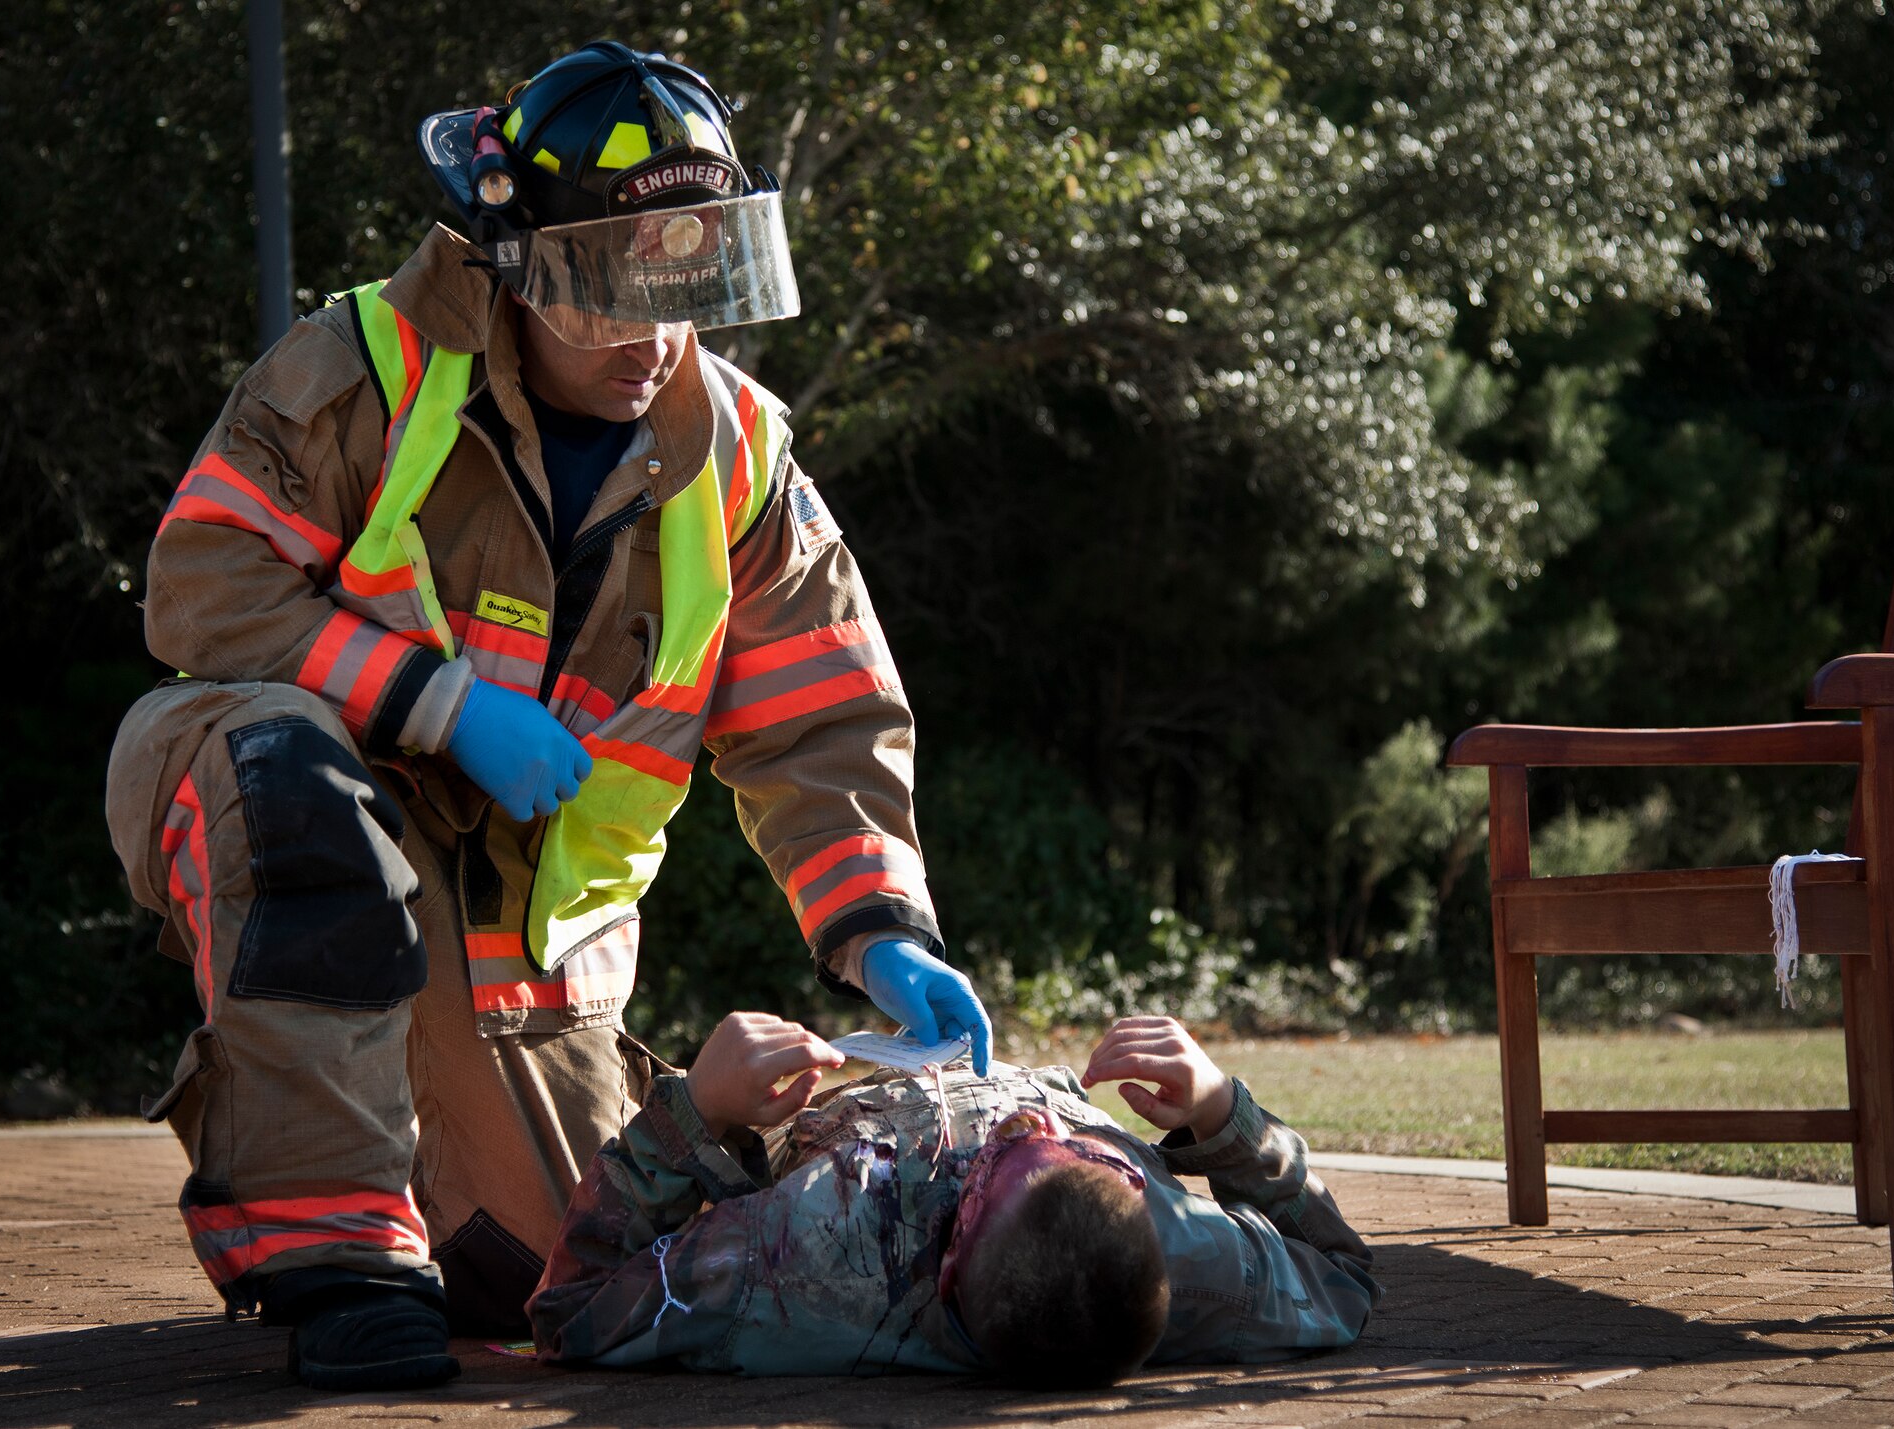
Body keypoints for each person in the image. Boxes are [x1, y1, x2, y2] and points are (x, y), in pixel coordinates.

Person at [103, 41, 990, 1391]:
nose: (650, 332)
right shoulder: (362, 370)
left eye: (689, 282)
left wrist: (882, 935)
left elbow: (825, 720)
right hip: (267, 789)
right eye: (606, 285)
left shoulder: (743, 457)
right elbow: (202, 584)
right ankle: (335, 1254)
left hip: (525, 944)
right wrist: (441, 703)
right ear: (510, 259)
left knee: (542, 1284)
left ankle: (390, 1184)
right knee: (291, 782)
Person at [529, 1015, 1379, 1384]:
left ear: (952, 1249)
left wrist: (694, 1112)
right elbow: (1344, 1273)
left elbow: (568, 1310)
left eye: (1003, 1153)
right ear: (1137, 1192)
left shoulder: (789, 1257)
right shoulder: (1198, 1263)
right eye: (1078, 1146)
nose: (1033, 1109)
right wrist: (1225, 1114)